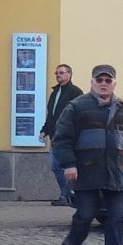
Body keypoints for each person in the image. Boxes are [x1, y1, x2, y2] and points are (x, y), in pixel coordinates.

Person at [49, 63, 123, 245]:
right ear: (92, 83)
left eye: (107, 80)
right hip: (86, 172)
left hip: (115, 174)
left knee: (117, 219)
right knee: (85, 215)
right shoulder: (77, 107)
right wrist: (69, 164)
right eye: (99, 80)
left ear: (114, 84)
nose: (103, 84)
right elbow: (62, 139)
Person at [39, 63, 84, 206]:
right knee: (56, 166)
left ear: (69, 75)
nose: (58, 75)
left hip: (69, 136)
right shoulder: (55, 92)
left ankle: (68, 194)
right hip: (55, 135)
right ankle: (66, 193)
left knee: (63, 165)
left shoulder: (76, 92)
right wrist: (44, 130)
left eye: (61, 73)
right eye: (57, 73)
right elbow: (51, 115)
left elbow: (79, 115)